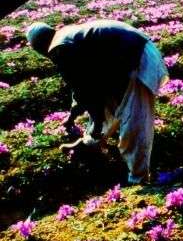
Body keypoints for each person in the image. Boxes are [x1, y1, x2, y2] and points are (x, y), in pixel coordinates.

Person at [26, 20, 168, 184]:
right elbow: (80, 85)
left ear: (39, 47)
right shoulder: (65, 37)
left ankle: (138, 179)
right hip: (124, 61)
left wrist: (98, 121)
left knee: (134, 119)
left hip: (138, 58)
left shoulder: (59, 48)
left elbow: (86, 89)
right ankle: (90, 144)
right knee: (108, 104)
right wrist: (73, 115)